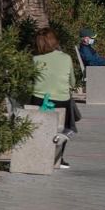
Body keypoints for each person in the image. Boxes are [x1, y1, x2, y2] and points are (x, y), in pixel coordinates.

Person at [31, 27, 78, 168]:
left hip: (38, 99)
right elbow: (73, 82)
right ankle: (58, 158)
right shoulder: (65, 58)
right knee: (67, 127)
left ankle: (38, 155)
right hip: (61, 101)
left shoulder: (35, 59)